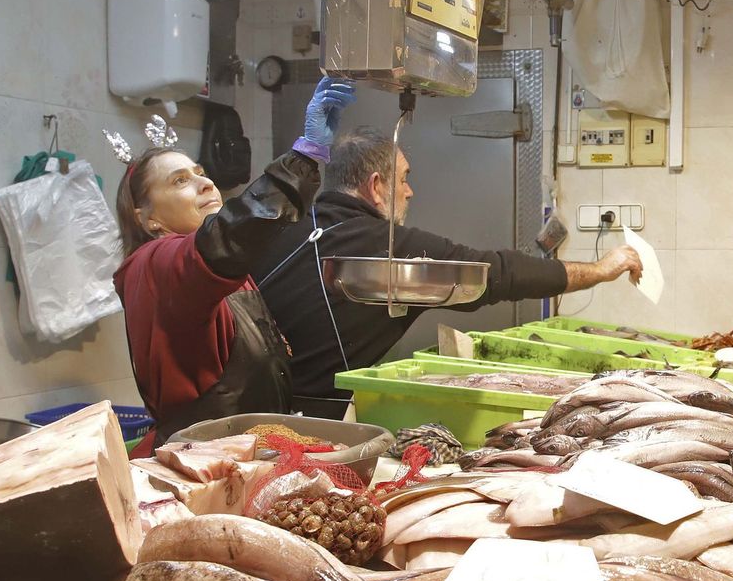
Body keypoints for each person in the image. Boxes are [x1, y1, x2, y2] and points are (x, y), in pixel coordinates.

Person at [255, 127, 643, 416]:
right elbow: (496, 274)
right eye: (404, 179)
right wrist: (600, 270)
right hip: (311, 423)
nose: (410, 192)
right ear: (375, 186)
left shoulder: (281, 228)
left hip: (245, 413)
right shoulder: (389, 250)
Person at [113, 78, 356, 448]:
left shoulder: (221, 270)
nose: (206, 183)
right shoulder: (153, 265)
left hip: (241, 453)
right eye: (180, 181)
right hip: (196, 462)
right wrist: (303, 159)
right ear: (147, 219)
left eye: (199, 172)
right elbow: (227, 238)